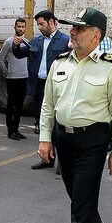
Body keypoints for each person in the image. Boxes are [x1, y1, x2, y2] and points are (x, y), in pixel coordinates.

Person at [38, 7, 112, 223]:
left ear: (96, 35)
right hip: (63, 139)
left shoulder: (111, 66)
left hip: (93, 141)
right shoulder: (60, 63)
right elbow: (48, 105)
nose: (72, 32)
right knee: (75, 192)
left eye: (78, 29)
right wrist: (44, 138)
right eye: (72, 28)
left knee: (80, 203)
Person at [12, 10, 71, 170]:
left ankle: (63, 163)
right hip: (39, 87)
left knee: (60, 125)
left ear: (52, 22)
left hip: (58, 88)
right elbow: (19, 54)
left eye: (41, 24)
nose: (39, 27)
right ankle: (48, 160)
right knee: (44, 124)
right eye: (38, 24)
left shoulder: (65, 40)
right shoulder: (36, 41)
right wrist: (16, 46)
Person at [0, 18, 29, 140]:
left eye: (23, 27)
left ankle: (16, 129)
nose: (21, 29)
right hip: (13, 78)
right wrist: (6, 72)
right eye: (19, 26)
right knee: (11, 105)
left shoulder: (26, 42)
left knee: (20, 106)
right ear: (14, 27)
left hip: (24, 77)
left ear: (25, 28)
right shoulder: (9, 42)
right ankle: (10, 131)